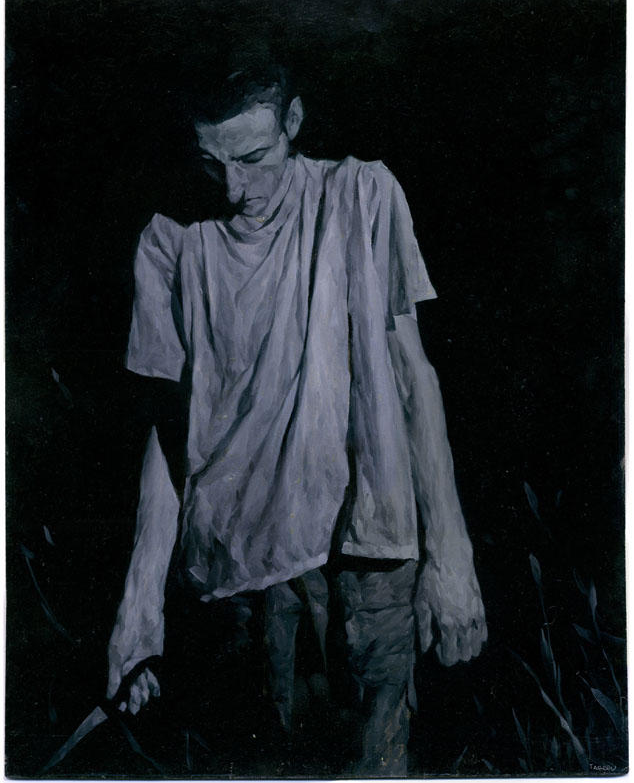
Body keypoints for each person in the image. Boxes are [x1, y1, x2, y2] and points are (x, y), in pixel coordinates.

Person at [106, 63, 487, 776]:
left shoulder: (363, 194)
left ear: (293, 122)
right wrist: (139, 610)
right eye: (212, 163)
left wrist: (452, 555)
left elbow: (414, 378)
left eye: (253, 157)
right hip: (239, 576)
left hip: (370, 559)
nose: (233, 188)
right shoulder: (170, 240)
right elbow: (167, 435)